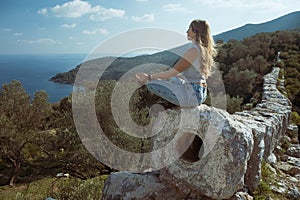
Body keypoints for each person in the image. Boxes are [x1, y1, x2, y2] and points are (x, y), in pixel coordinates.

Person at [136, 19, 217, 108]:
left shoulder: (193, 50)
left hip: (192, 94)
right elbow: (189, 75)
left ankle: (168, 108)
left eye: (189, 29)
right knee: (171, 79)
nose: (187, 32)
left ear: (195, 32)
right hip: (200, 92)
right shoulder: (203, 50)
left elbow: (173, 72)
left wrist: (148, 77)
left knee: (151, 85)